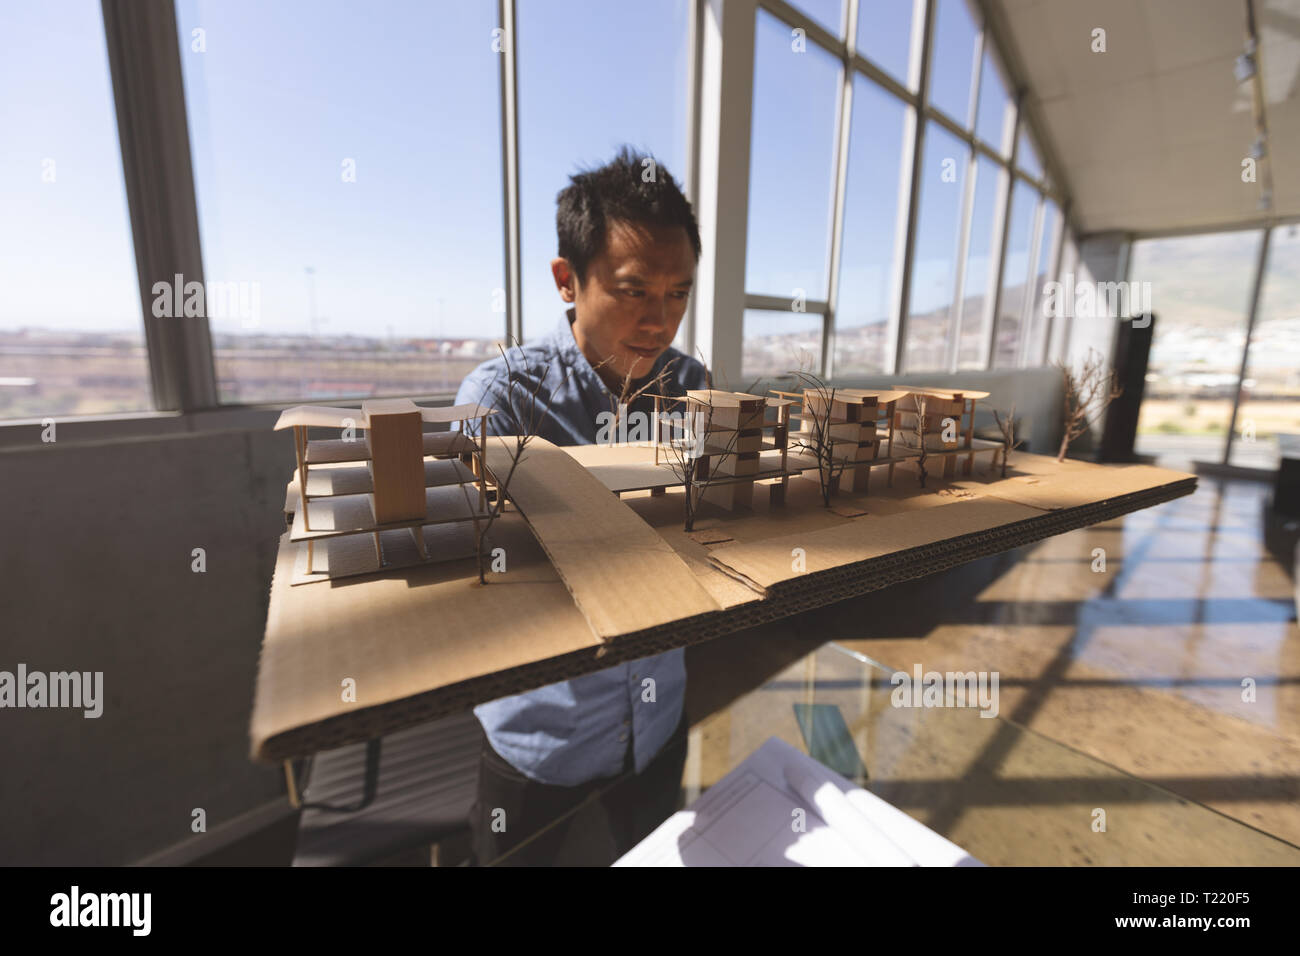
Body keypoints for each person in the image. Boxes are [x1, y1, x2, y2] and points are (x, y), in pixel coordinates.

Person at [455, 147, 710, 865]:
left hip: (658, 718)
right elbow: (484, 586)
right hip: (543, 735)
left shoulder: (691, 385)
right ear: (567, 281)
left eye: (678, 294)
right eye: (634, 291)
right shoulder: (501, 401)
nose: (661, 321)